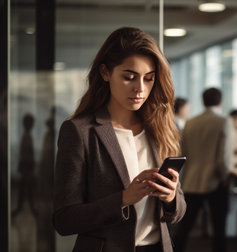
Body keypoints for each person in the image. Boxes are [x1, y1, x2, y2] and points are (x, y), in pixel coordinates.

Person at [52, 27, 186, 252]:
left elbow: (178, 212)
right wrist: (123, 198)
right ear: (105, 73)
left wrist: (171, 197)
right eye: (129, 77)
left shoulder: (160, 128)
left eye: (149, 78)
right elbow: (64, 220)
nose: (140, 89)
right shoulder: (80, 131)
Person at [174, 87, 232, 252]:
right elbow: (223, 157)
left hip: (192, 179)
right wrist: (225, 177)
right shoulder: (223, 121)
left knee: (185, 226)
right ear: (220, 101)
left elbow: (182, 152)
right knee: (218, 227)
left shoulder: (191, 122)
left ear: (203, 101)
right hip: (215, 181)